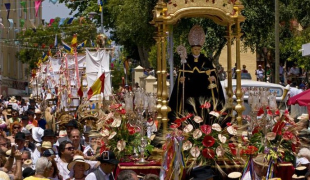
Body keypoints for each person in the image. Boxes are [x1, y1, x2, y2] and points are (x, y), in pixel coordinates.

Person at [169, 25, 225, 120]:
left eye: (198, 49)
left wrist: (213, 78)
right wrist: (181, 79)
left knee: (204, 108)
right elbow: (181, 76)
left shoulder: (206, 61)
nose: (197, 51)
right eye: (195, 49)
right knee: (188, 109)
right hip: (189, 92)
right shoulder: (186, 61)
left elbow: (213, 73)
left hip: (204, 91)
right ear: (191, 49)